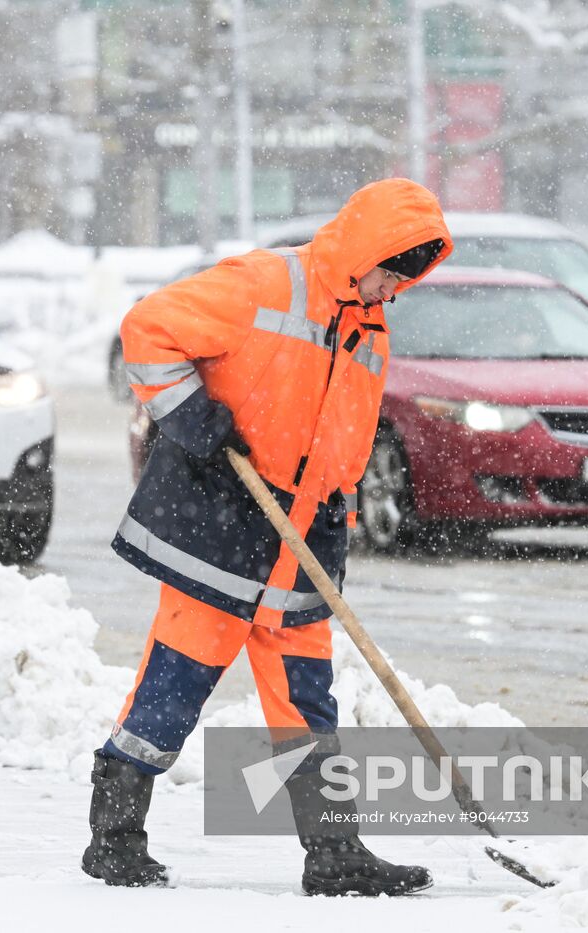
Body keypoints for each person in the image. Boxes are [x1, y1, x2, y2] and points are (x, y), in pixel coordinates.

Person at [84, 178, 452, 895]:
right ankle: (114, 836)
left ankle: (334, 851)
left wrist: (332, 525)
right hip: (224, 522)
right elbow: (148, 331)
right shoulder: (264, 282)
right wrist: (195, 421)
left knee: (307, 702)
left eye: (405, 280)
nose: (392, 291)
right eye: (389, 271)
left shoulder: (371, 326)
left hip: (301, 538)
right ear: (365, 249)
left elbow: (343, 445)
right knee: (176, 684)